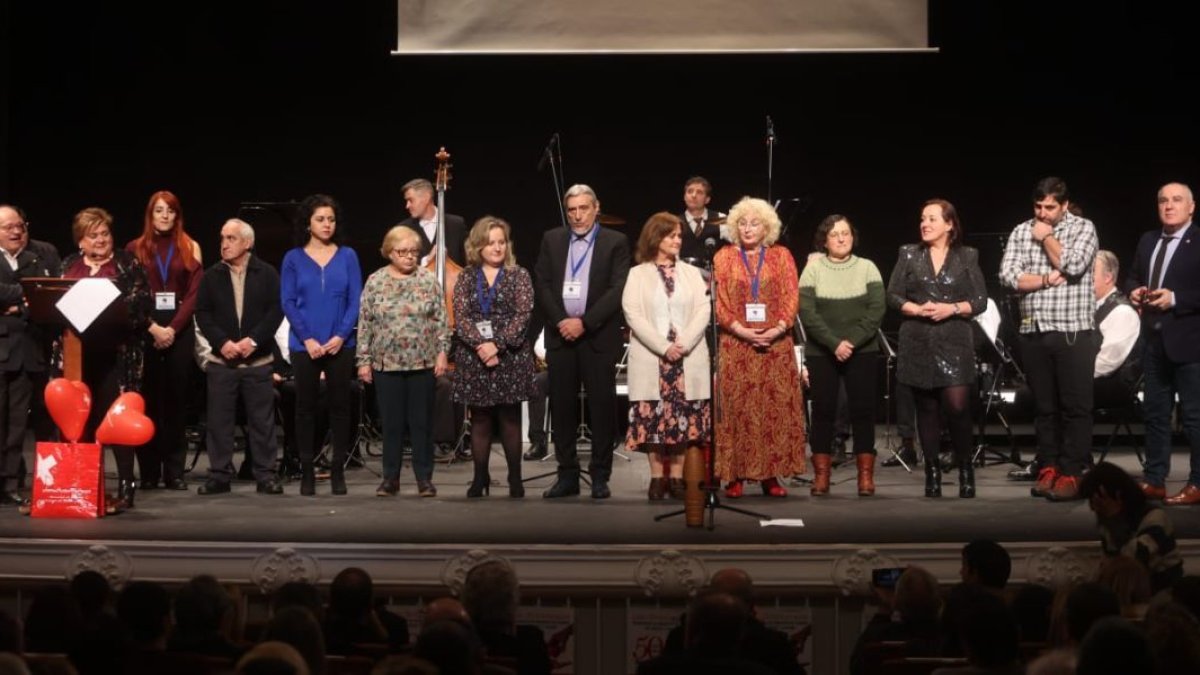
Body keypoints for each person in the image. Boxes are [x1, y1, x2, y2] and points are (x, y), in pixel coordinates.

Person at [999, 177, 1099, 501]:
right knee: (1045, 408)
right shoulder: (1019, 231)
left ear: (1064, 205)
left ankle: (1073, 472)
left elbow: (1072, 264)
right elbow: (1008, 276)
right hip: (1033, 329)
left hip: (1071, 330)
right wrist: (1043, 279)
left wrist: (1047, 239)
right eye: (1038, 206)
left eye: (1050, 207)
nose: (1042, 214)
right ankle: (1050, 467)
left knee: (1075, 406)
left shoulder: (1083, 228)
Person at [534, 184, 630, 499]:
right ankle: (567, 475)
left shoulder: (615, 242)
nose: (577, 215)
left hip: (597, 336)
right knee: (562, 408)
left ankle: (600, 476)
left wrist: (584, 323)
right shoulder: (552, 239)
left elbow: (617, 289)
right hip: (562, 336)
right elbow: (543, 283)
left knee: (602, 407)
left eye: (583, 208)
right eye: (572, 209)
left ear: (596, 207)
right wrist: (562, 320)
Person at [887, 199, 987, 498]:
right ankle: (932, 474)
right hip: (917, 339)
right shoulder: (908, 254)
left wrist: (952, 308)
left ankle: (965, 468)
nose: (925, 224)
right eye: (922, 219)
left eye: (931, 219)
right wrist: (916, 309)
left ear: (949, 224)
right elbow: (892, 295)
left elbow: (980, 301)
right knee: (926, 409)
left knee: (957, 407)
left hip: (954, 338)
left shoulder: (967, 256)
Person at [59, 207, 153, 514]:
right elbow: (56, 304)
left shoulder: (127, 264)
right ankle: (83, 487)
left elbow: (141, 305)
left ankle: (126, 488)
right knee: (80, 423)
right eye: (93, 235)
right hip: (77, 357)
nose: (101, 240)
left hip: (117, 357)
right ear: (80, 241)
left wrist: (107, 307)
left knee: (116, 421)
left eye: (105, 233)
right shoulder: (70, 265)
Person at [713, 197, 805, 497]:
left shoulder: (781, 256)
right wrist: (744, 331)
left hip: (775, 345)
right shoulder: (723, 258)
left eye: (754, 223)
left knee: (772, 410)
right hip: (736, 346)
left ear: (767, 227)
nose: (748, 228)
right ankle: (736, 475)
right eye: (742, 222)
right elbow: (720, 303)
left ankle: (770, 476)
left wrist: (777, 328)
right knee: (738, 409)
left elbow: (792, 296)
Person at [622, 212, 711, 501]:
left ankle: (676, 478)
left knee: (683, 418)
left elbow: (703, 310)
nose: (677, 240)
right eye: (671, 235)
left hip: (687, 356)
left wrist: (682, 344)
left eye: (679, 236)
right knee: (654, 420)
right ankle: (657, 477)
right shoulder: (638, 273)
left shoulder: (691, 273)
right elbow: (633, 313)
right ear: (656, 237)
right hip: (653, 357)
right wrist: (663, 346)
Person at [193, 219, 284, 496]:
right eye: (223, 238)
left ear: (248, 243)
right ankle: (219, 475)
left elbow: (276, 311)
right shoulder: (211, 276)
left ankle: (266, 475)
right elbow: (203, 314)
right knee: (219, 423)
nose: (224, 244)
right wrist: (222, 342)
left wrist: (253, 340)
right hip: (223, 363)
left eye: (231, 238)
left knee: (262, 422)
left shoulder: (267, 274)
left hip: (257, 363)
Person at [358, 225, 449, 497]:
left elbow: (441, 321)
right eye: (402, 252)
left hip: (422, 363)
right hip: (387, 364)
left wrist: (442, 352)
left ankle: (424, 479)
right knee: (392, 424)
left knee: (421, 424)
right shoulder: (375, 281)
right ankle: (390, 479)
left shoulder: (427, 280)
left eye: (413, 252)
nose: (409, 256)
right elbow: (366, 323)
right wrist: (363, 361)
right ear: (389, 252)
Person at [280, 194, 362, 496]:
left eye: (331, 219)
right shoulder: (293, 258)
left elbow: (356, 299)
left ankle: (338, 469)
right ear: (308, 223)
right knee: (305, 408)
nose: (327, 224)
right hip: (305, 345)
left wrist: (340, 336)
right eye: (320, 219)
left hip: (341, 343)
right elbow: (288, 301)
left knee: (340, 407)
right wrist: (309, 339)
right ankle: (307, 472)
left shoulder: (348, 255)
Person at [800, 214, 886, 496]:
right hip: (822, 351)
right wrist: (834, 343)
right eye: (834, 234)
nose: (840, 238)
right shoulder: (813, 270)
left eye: (846, 233)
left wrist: (852, 341)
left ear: (853, 237)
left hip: (861, 350)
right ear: (824, 239)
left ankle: (865, 477)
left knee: (863, 411)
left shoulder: (867, 268)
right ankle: (822, 477)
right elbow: (808, 313)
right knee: (823, 411)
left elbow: (876, 310)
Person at [453, 216, 537, 498]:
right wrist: (481, 346)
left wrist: (497, 345)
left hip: (510, 356)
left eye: (501, 242)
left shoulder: (519, 275)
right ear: (478, 246)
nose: (497, 248)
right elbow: (461, 317)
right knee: (480, 419)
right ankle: (480, 478)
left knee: (510, 418)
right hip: (474, 357)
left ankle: (515, 478)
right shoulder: (466, 276)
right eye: (491, 243)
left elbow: (523, 315)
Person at [125, 190, 203, 492]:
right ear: (150, 214)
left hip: (178, 329)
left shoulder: (190, 245)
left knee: (175, 403)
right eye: (159, 211)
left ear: (177, 215)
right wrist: (152, 327)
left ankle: (174, 472)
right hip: (145, 327)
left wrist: (172, 328)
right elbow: (129, 293)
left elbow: (196, 292)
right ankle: (147, 472)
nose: (165, 216)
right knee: (146, 403)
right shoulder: (134, 248)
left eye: (170, 211)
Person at [1127, 182, 1200, 505]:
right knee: (1155, 415)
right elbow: (1132, 276)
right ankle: (1155, 479)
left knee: (1195, 418)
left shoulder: (1198, 241)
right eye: (1163, 201)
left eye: (1176, 200)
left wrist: (1175, 298)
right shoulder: (1148, 240)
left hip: (1191, 343)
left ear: (1191, 206)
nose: (1169, 206)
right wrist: (1134, 291)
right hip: (1154, 342)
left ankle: (1198, 483)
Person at [0, 204, 58, 508]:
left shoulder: (36, 258)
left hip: (27, 352)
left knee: (16, 425)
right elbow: (26, 294)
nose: (15, 231)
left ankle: (10, 482)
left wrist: (16, 305)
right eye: (8, 227)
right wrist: (20, 297)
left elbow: (44, 296)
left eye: (19, 226)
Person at [1079, 461, 1185, 593]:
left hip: (1162, 593)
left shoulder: (1155, 518)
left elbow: (1131, 562)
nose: (1093, 508)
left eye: (1097, 501)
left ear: (1117, 495)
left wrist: (1114, 519)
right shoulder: (1107, 523)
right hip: (1132, 592)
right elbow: (1108, 564)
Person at [399, 178, 467, 268]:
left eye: (411, 200)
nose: (407, 206)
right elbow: (400, 267)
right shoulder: (403, 229)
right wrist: (427, 260)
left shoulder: (456, 224)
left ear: (426, 197)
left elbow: (468, 260)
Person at [678, 176, 727, 266]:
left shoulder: (720, 218)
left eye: (699, 192)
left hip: (713, 276)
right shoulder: (674, 222)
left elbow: (738, 244)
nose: (693, 195)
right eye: (690, 191)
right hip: (683, 276)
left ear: (707, 199)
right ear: (684, 197)